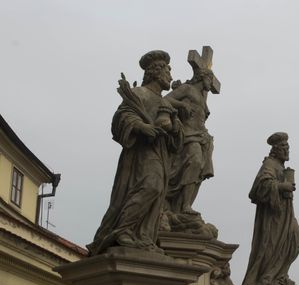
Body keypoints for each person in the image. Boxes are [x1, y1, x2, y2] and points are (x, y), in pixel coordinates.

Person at [87, 50, 181, 255]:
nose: (171, 77)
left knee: (157, 193)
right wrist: (141, 127)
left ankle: (143, 236)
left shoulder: (166, 103)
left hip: (161, 154)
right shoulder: (139, 94)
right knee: (151, 186)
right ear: (156, 72)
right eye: (168, 72)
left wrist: (174, 128)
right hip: (141, 154)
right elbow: (121, 118)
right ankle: (122, 230)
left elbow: (176, 137)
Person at [240, 132, 299, 285]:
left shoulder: (281, 167)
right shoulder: (270, 164)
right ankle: (266, 279)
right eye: (283, 147)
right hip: (273, 217)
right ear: (275, 150)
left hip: (285, 214)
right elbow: (258, 188)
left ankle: (279, 275)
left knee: (296, 239)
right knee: (271, 246)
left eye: (288, 147)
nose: (287, 150)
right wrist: (282, 187)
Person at [164, 68, 215, 215]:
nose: (211, 84)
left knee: (198, 171)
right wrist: (181, 105)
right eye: (210, 79)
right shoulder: (186, 88)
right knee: (195, 162)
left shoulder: (201, 97)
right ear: (202, 77)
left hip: (202, 137)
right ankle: (184, 205)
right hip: (188, 134)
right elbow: (166, 99)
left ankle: (185, 205)